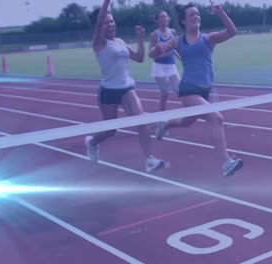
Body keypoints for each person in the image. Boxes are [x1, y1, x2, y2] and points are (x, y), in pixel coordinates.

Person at [149, 2, 243, 176]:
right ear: (184, 21)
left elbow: (231, 32)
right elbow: (152, 54)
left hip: (204, 90)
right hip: (188, 89)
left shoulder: (208, 38)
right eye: (191, 14)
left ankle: (165, 124)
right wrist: (158, 49)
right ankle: (226, 162)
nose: (196, 17)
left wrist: (220, 12)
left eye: (197, 14)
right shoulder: (178, 41)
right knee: (216, 118)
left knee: (187, 122)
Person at [84, 0, 164, 173]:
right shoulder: (99, 43)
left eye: (112, 21)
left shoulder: (119, 41)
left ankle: (150, 159)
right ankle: (91, 142)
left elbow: (139, 58)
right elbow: (98, 22)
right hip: (108, 92)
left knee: (141, 121)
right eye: (106, 22)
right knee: (110, 130)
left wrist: (141, 39)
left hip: (126, 89)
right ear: (99, 26)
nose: (110, 24)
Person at [149, 10, 181, 112]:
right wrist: (163, 53)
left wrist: (181, 58)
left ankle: (190, 112)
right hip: (159, 67)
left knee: (179, 90)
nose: (165, 18)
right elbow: (151, 53)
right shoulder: (154, 34)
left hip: (171, 65)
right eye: (162, 17)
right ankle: (161, 119)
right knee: (165, 94)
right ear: (157, 20)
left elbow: (174, 48)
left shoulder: (172, 32)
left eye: (166, 16)